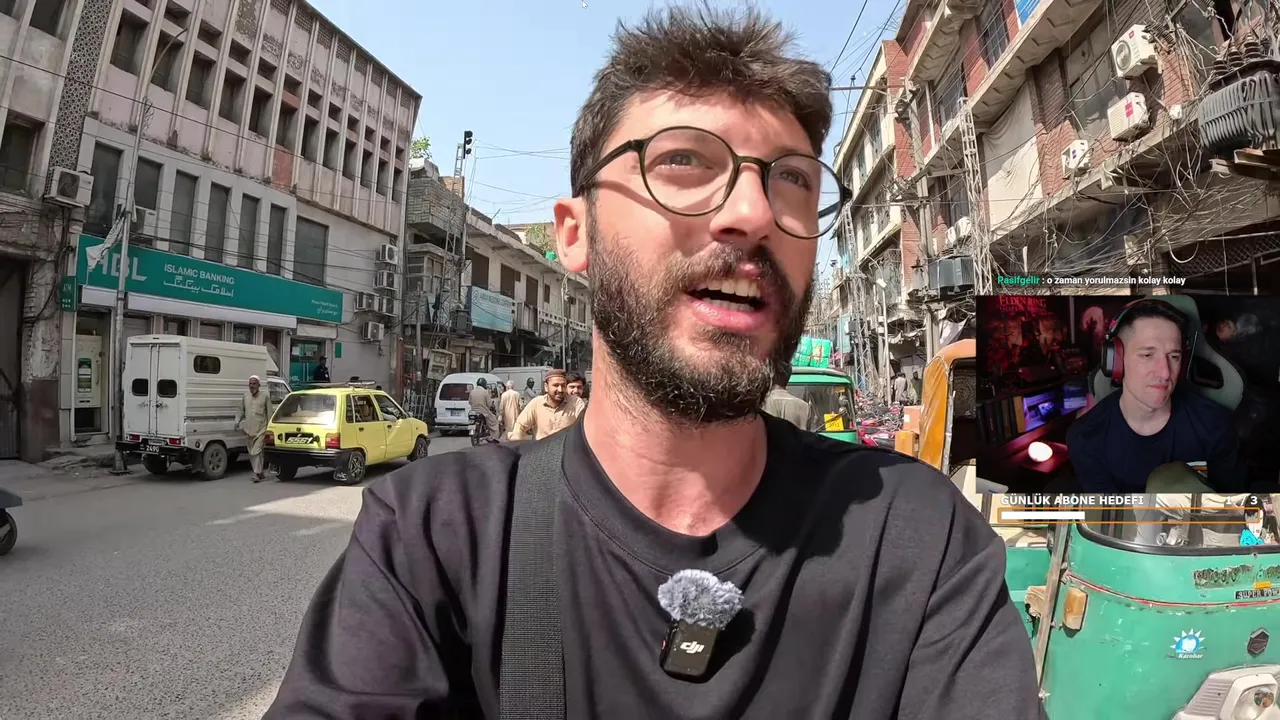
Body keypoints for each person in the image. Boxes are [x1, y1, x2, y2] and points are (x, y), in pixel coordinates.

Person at [267, 7, 1043, 719]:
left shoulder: (917, 537)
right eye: (683, 161)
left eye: (793, 180)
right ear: (575, 234)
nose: (752, 212)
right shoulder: (433, 536)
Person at [1067, 299, 1244, 493]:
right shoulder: (1086, 438)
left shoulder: (1215, 424)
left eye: (1174, 357)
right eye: (1147, 355)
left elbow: (1232, 505)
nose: (1165, 373)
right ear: (1116, 361)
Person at [507, 369, 585, 441]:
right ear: (546, 387)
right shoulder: (536, 403)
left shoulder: (575, 402)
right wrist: (516, 444)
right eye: (556, 385)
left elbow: (585, 423)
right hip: (541, 450)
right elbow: (520, 426)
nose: (560, 390)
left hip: (566, 450)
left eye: (563, 385)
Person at [236, 375, 273, 482]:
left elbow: (269, 413)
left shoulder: (265, 397)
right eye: (250, 384)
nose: (252, 386)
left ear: (259, 385)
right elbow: (240, 410)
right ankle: (260, 473)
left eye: (254, 384)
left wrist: (270, 429)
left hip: (261, 429)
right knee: (254, 453)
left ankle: (256, 474)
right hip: (249, 430)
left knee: (255, 451)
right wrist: (237, 421)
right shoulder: (245, 396)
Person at [468, 377, 499, 442]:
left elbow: (470, 402)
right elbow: (489, 404)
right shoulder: (485, 392)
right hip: (484, 412)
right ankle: (494, 437)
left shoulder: (472, 392)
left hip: (473, 412)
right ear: (484, 384)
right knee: (494, 422)